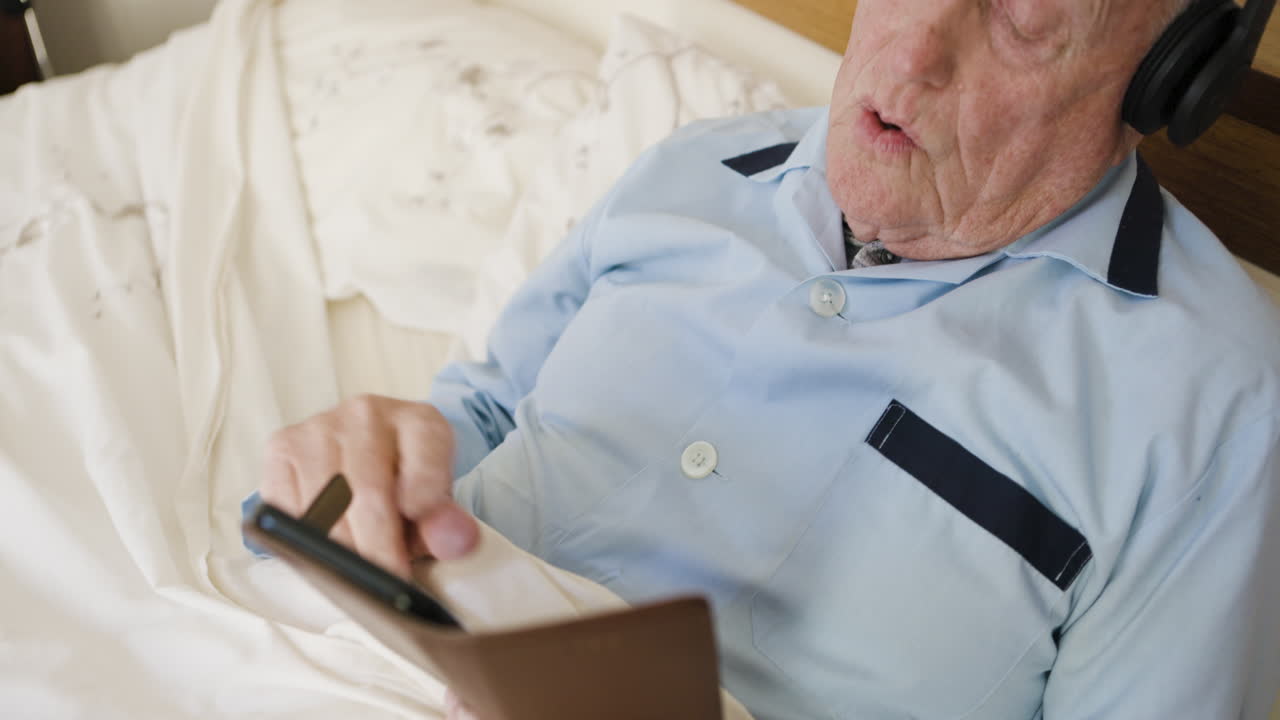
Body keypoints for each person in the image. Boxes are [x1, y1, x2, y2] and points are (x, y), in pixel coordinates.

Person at [257, 0, 1280, 717]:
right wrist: (374, 469)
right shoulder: (693, 165)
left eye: (1017, 16)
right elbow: (479, 413)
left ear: (1166, 79)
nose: (910, 51)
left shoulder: (1211, 404)